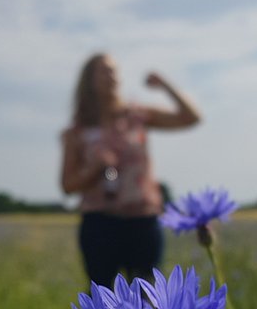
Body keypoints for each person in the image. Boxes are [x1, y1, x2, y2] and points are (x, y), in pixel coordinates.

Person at [60, 53, 201, 285]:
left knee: (149, 297)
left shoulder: (136, 116)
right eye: (104, 70)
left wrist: (165, 85)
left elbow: (191, 118)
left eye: (115, 70)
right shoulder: (77, 132)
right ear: (89, 80)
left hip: (143, 222)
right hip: (100, 225)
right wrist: (94, 169)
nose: (112, 75)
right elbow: (67, 186)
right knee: (105, 302)